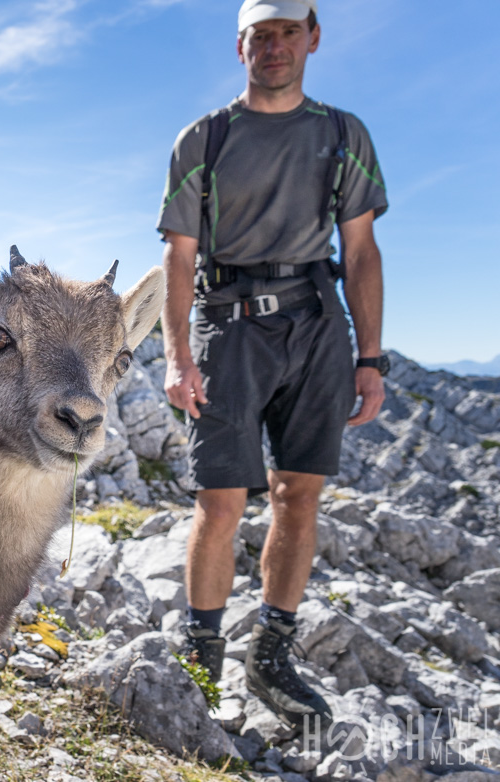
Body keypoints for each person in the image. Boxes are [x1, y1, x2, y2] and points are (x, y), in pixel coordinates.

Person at [156, 0, 387, 725]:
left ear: (313, 38)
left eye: (289, 32)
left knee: (299, 496)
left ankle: (272, 657)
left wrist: (371, 357)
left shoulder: (343, 134)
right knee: (220, 500)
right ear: (241, 47)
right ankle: (202, 661)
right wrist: (177, 357)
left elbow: (359, 252)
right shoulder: (206, 138)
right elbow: (179, 255)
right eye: (262, 35)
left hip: (318, 325)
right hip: (228, 326)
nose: (276, 46)